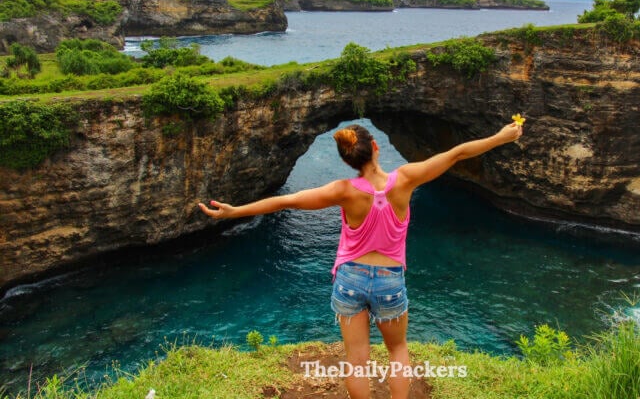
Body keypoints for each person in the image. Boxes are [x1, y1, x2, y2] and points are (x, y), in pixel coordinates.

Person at [198, 121, 523, 399]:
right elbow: (457, 153)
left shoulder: (344, 190)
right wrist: (500, 137)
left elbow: (289, 201)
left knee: (357, 360)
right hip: (390, 280)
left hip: (350, 280)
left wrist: (235, 211)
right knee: (397, 351)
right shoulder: (406, 178)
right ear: (376, 148)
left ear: (347, 159)